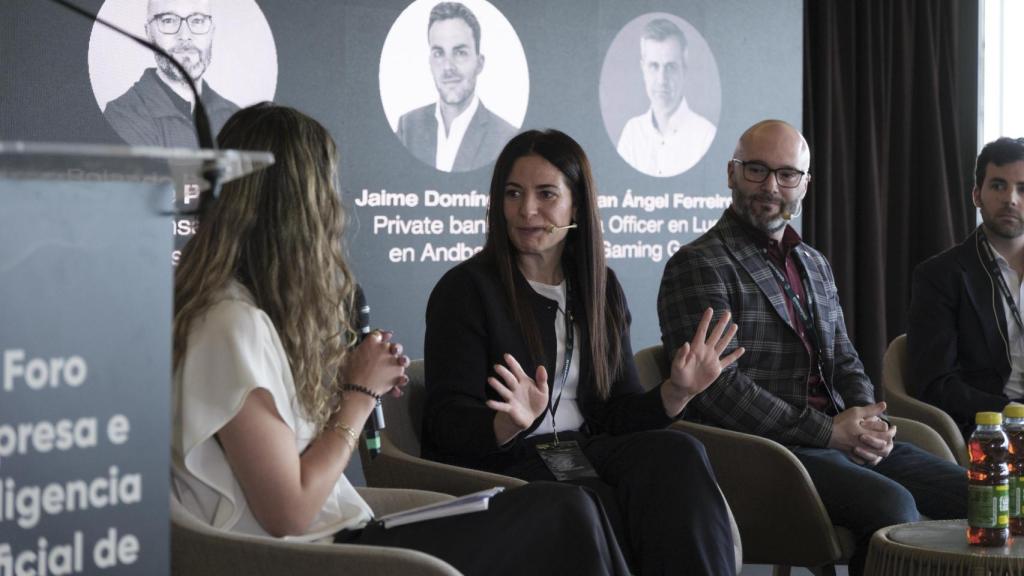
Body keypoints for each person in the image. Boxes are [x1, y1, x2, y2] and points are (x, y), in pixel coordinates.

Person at [171, 103, 630, 576]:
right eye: (325, 190)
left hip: (348, 530)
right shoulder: (230, 323)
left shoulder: (240, 315)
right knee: (566, 513)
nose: (334, 208)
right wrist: (359, 395)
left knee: (575, 509)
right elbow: (288, 511)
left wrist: (343, 386)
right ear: (297, 206)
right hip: (317, 551)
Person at [423, 128, 741, 576]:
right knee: (594, 499)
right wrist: (505, 422)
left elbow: (616, 412)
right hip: (503, 460)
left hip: (581, 449)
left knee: (679, 453)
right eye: (513, 193)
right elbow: (442, 420)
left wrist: (675, 393)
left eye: (546, 194)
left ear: (577, 204)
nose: (527, 210)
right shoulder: (466, 290)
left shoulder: (600, 287)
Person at [657, 119, 967, 576]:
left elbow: (844, 357)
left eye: (787, 175)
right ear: (730, 173)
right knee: (891, 503)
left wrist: (866, 418)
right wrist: (828, 433)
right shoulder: (699, 264)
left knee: (981, 492)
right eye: (756, 170)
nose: (771, 186)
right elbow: (720, 393)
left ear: (805, 184)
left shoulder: (813, 263)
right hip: (764, 453)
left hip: (838, 438)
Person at [908, 137, 1024, 437]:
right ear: (977, 194)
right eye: (998, 186)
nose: (1011, 199)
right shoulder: (940, 276)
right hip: (990, 430)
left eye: (1022, 189)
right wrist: (1010, 414)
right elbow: (935, 384)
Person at [395, 1, 517, 173]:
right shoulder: (408, 127)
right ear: (430, 62)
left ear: (479, 63)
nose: (448, 67)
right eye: (439, 53)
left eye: (460, 53)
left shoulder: (505, 137)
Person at [104, 0, 239, 147]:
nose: (185, 36)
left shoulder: (236, 117)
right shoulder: (123, 115)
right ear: (148, 32)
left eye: (198, 21)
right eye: (168, 21)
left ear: (212, 31)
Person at [616, 18, 716, 178]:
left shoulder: (705, 135)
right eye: (654, 66)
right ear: (643, 69)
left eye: (671, 67)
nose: (662, 79)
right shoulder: (632, 133)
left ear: (684, 69)